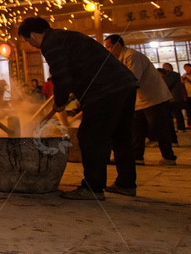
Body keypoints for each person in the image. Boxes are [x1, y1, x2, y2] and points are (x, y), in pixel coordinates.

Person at [17, 17, 138, 200]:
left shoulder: (51, 43)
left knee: (91, 137)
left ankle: (92, 188)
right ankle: (126, 183)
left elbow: (61, 75)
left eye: (28, 40)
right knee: (121, 136)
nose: (31, 44)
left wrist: (60, 101)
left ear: (33, 34)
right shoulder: (65, 36)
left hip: (104, 89)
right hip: (125, 85)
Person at [104, 35, 177, 165]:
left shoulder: (131, 56)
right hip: (139, 100)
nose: (107, 50)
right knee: (137, 129)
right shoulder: (119, 59)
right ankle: (137, 157)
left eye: (109, 47)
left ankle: (168, 157)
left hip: (154, 98)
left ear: (118, 45)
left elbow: (133, 78)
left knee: (159, 128)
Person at [161, 63, 188, 133]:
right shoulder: (176, 75)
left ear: (168, 67)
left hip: (172, 97)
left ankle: (178, 128)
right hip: (176, 97)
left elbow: (167, 85)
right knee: (177, 113)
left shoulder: (170, 75)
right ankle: (180, 127)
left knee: (174, 113)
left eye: (164, 67)